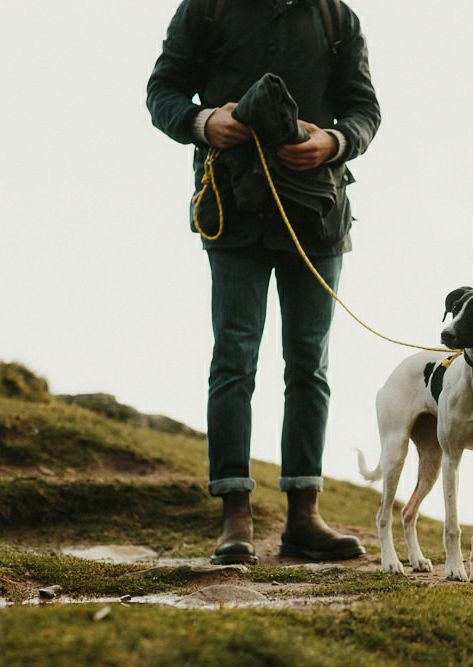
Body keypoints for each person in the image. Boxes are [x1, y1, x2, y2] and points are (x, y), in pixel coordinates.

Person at [147, 0, 380, 563]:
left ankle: (305, 517)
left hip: (317, 218)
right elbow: (162, 93)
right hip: (232, 212)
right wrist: (205, 122)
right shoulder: (204, 9)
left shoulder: (336, 17)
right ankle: (236, 518)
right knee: (234, 359)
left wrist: (333, 142)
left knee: (309, 365)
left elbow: (364, 109)